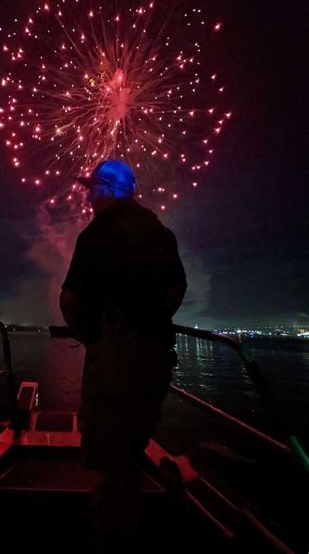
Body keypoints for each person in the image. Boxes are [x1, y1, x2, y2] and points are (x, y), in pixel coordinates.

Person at [59, 159, 187, 552]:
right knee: (131, 450)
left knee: (109, 459)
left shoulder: (97, 234)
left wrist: (97, 338)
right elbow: (176, 290)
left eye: (92, 188)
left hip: (114, 358)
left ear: (109, 189)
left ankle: (109, 538)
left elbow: (70, 300)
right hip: (155, 358)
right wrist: (150, 325)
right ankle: (124, 527)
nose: (88, 195)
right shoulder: (160, 232)